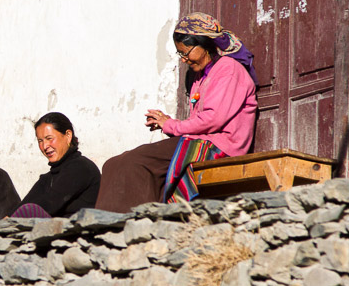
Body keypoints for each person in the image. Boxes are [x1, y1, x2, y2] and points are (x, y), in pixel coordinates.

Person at [95, 12, 258, 213]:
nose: (183, 60)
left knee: (137, 161)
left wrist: (171, 125)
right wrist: (169, 124)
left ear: (204, 44)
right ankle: (112, 223)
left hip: (220, 146)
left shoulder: (229, 69)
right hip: (202, 139)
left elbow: (212, 119)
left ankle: (134, 222)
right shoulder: (201, 76)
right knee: (114, 163)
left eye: (185, 52)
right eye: (179, 54)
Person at [11, 112, 101, 218]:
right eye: (40, 141)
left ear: (68, 135)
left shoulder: (81, 167)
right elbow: (20, 209)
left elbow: (50, 203)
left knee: (30, 211)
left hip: (78, 231)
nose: (45, 146)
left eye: (49, 138)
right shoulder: (49, 178)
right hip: (52, 230)